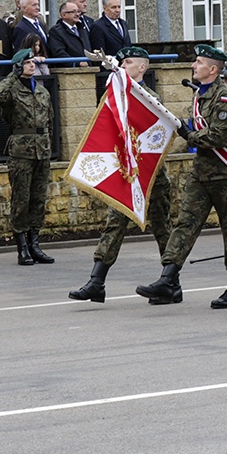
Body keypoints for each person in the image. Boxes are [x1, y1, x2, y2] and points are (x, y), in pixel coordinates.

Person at [135, 44, 227, 308]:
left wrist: (190, 136)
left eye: (198, 62)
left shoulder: (225, 97)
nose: (193, 66)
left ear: (213, 69)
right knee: (185, 225)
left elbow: (219, 136)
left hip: (225, 174)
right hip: (201, 173)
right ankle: (168, 278)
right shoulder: (200, 95)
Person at [69, 46, 172, 303]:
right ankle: (96, 281)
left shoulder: (149, 98)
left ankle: (172, 282)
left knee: (162, 229)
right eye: (122, 62)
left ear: (142, 67)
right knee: (114, 225)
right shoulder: (115, 94)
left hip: (151, 177)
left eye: (128, 62)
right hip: (125, 173)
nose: (123, 66)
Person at [0, 48, 55, 266]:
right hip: (21, 151)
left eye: (32, 62)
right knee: (21, 199)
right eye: (26, 63)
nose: (31, 65)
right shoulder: (12, 90)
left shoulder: (42, 91)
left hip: (41, 150)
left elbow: (49, 121)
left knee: (38, 198)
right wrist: (13, 74)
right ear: (18, 66)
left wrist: (47, 144)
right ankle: (22, 247)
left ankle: (35, 243)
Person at [47, 1, 91, 66]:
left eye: (78, 11)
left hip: (88, 69)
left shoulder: (82, 28)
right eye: (73, 12)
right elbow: (59, 53)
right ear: (64, 15)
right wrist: (77, 63)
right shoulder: (56, 32)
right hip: (70, 71)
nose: (77, 14)